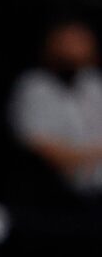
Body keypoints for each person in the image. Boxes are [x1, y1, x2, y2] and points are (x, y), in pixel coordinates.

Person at [8, 18, 102, 198]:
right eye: (67, 41)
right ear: (52, 44)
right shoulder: (34, 86)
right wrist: (88, 155)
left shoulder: (94, 83)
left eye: (81, 41)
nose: (75, 49)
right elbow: (43, 147)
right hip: (53, 193)